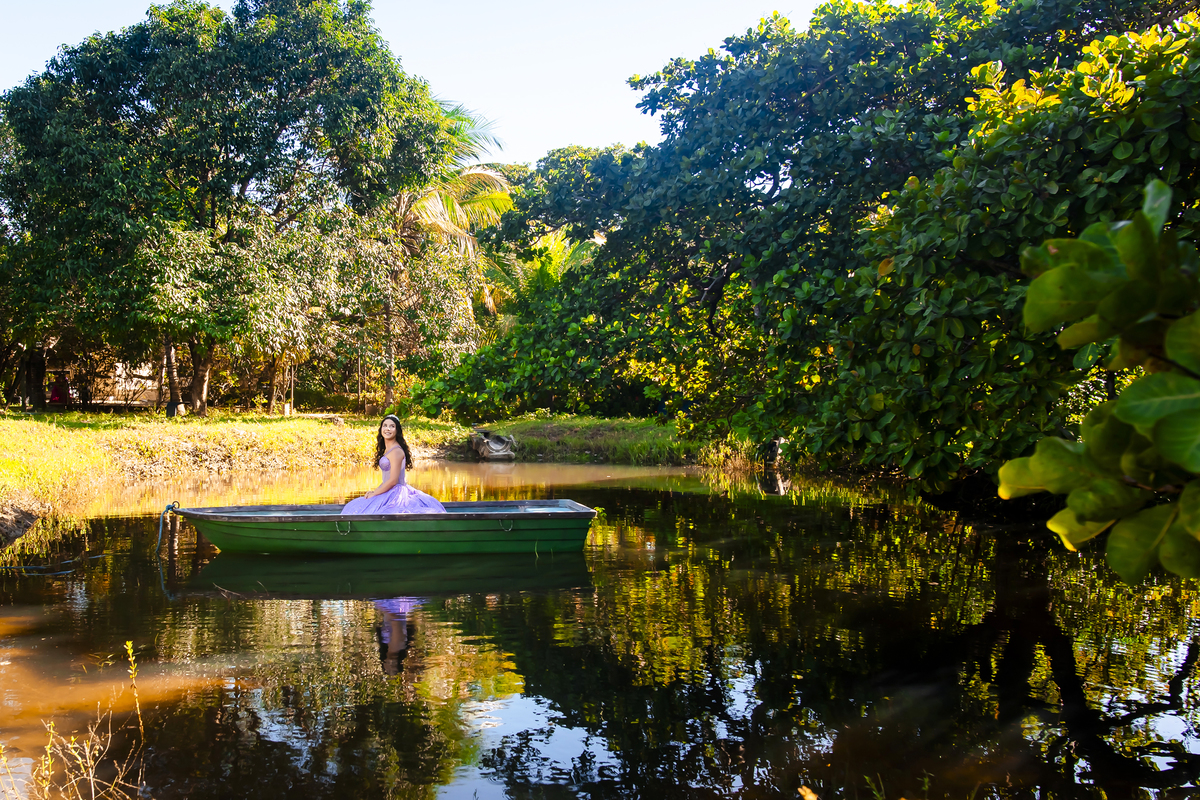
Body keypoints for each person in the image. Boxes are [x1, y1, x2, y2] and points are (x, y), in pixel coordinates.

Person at [341, 414, 447, 515]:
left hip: (396, 492)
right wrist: (375, 492)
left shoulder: (396, 451)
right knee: (356, 506)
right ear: (381, 429)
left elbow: (393, 481)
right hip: (388, 490)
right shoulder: (389, 449)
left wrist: (375, 493)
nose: (388, 429)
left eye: (392, 426)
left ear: (397, 431)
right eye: (385, 426)